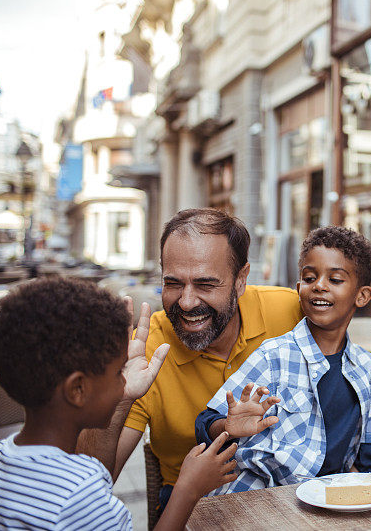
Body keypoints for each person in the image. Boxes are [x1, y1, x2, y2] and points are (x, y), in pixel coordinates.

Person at [0, 278, 236, 530]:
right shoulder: (80, 495)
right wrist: (187, 490)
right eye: (119, 372)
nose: (124, 384)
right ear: (78, 389)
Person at [77, 209, 302, 514]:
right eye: (172, 283)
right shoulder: (145, 351)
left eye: (206, 284)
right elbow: (91, 485)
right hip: (192, 506)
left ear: (240, 279)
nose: (186, 302)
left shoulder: (290, 310)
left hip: (287, 494)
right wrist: (115, 395)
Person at [195, 226, 371, 492]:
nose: (319, 286)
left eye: (335, 280)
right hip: (258, 494)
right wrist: (229, 427)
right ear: (299, 288)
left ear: (362, 295)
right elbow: (205, 421)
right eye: (310, 278)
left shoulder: (368, 368)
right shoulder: (274, 355)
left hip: (328, 498)